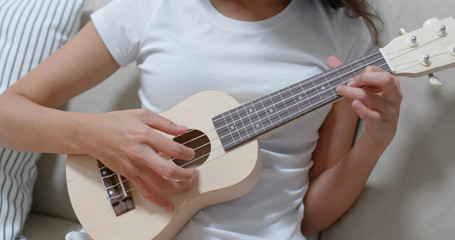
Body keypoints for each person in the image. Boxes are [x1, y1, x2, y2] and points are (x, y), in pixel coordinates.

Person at [0, 0, 402, 239]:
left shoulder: (346, 37)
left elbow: (311, 214)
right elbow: (8, 113)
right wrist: (98, 136)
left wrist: (374, 142)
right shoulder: (152, 6)